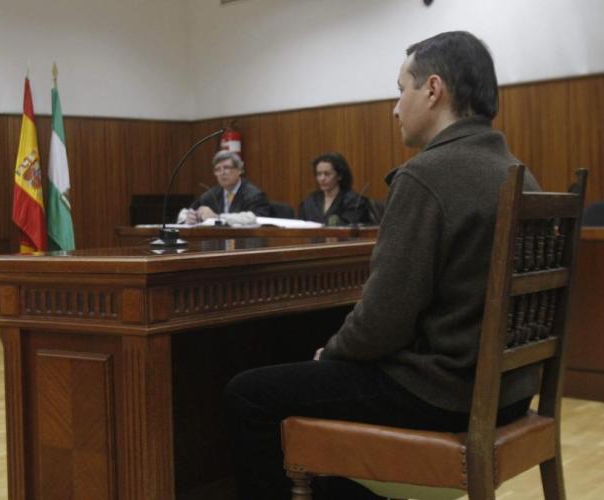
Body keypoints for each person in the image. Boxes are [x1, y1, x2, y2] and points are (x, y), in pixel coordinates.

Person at [222, 31, 541, 500]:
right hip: (508, 393)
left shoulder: (426, 176)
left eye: (400, 90)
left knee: (247, 394)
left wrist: (329, 355)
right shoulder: (522, 175)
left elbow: (382, 322)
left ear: (432, 90)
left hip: (443, 394)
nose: (395, 108)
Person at [183, 150, 271, 224]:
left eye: (227, 167)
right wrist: (190, 218)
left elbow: (257, 219)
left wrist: (217, 217)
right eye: (218, 169)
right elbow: (185, 213)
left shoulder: (254, 196)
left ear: (239, 170)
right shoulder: (210, 195)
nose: (222, 172)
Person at [298, 152, 371, 226]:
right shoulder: (309, 202)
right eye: (319, 174)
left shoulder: (354, 202)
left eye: (327, 174)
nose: (322, 178)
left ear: (339, 176)